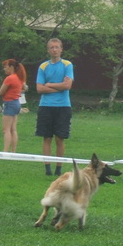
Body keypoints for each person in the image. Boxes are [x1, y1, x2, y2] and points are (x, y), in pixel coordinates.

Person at [36, 38, 74, 176]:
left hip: (63, 106)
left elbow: (67, 85)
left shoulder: (67, 65)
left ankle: (59, 168)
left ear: (61, 49)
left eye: (57, 47)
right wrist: (59, 86)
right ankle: (47, 169)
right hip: (46, 106)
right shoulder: (43, 66)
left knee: (59, 138)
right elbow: (39, 88)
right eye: (51, 47)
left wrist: (50, 84)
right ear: (48, 50)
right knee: (47, 138)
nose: (54, 50)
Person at [0, 59, 27, 153]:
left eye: (5, 67)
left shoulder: (10, 78)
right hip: (16, 103)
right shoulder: (19, 77)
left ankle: (5, 151)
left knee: (6, 129)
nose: (4, 69)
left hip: (9, 103)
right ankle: (13, 151)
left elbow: (0, 92)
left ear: (11, 67)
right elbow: (23, 88)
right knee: (13, 129)